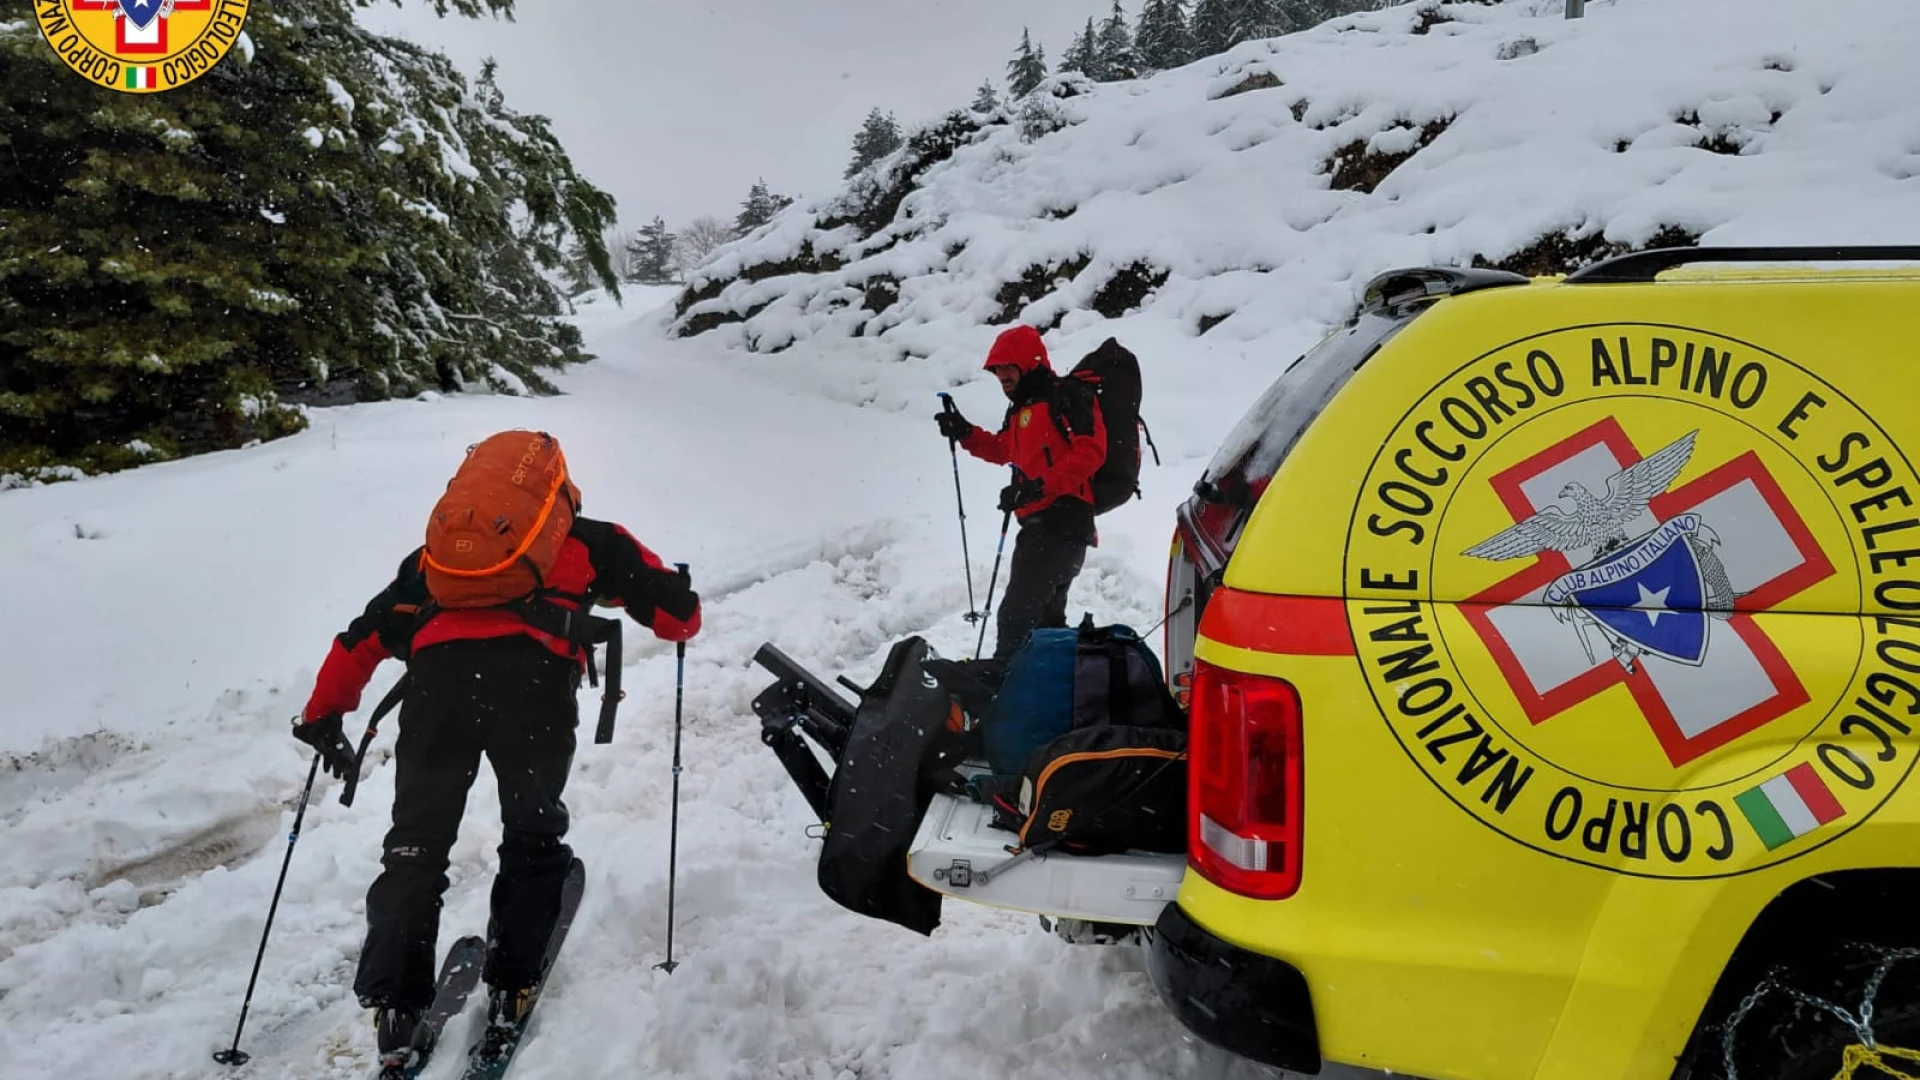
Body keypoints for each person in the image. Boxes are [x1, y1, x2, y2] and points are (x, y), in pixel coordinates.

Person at [290, 431, 701, 1073]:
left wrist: (322, 714)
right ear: (555, 490)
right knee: (531, 835)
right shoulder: (587, 541)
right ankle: (512, 987)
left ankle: (396, 1007)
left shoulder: (436, 562)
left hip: (436, 698)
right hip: (533, 698)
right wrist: (672, 597)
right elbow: (680, 618)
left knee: (414, 847)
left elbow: (363, 637)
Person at [935, 324, 1107, 660]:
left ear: (1030, 361)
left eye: (1007, 367)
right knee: (1046, 626)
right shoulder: (1020, 410)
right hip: (1038, 529)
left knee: (1016, 619)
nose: (1001, 375)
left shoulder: (1066, 395)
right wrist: (965, 432)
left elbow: (1091, 451)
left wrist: (1037, 488)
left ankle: (1003, 697)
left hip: (1063, 523)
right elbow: (1003, 450)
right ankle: (1055, 696)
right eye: (996, 370)